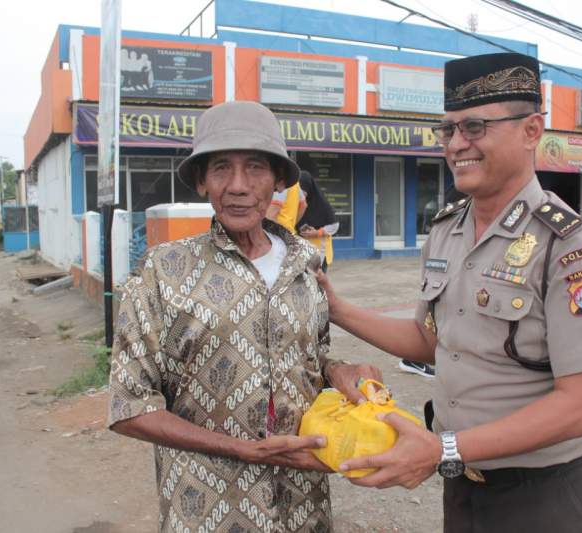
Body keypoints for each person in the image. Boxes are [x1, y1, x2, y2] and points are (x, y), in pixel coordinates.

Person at [319, 53, 582, 532]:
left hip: (548, 496)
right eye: (449, 131)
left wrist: (442, 448)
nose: (457, 144)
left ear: (531, 131)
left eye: (476, 127)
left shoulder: (570, 246)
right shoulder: (446, 230)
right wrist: (336, 308)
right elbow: (429, 342)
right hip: (464, 484)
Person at [107, 100, 380, 532]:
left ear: (277, 182)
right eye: (220, 169)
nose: (238, 185)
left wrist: (340, 372)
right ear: (201, 182)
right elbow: (128, 407)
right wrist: (238, 449)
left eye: (255, 167)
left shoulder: (306, 264)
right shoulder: (162, 271)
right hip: (206, 511)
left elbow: (310, 361)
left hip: (304, 509)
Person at [296, 170, 338, 271]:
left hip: (319, 255)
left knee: (317, 284)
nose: (302, 194)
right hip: (301, 254)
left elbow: (334, 226)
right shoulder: (297, 203)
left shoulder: (322, 205)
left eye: (304, 190)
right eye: (300, 191)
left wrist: (316, 233)